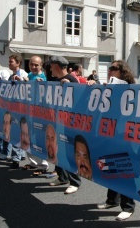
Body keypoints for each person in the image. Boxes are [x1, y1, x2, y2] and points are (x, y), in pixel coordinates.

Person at [89, 60, 136, 221]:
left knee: (124, 170)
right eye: (109, 68)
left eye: (114, 68)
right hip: (110, 132)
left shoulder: (130, 88)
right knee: (110, 167)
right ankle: (112, 200)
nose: (110, 71)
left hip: (124, 135)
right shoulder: (108, 87)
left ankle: (128, 206)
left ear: (123, 72)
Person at [47, 55, 81, 194]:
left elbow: (78, 100)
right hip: (57, 121)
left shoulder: (71, 80)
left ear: (56, 66)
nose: (49, 69)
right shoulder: (57, 80)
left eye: (51, 66)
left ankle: (75, 182)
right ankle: (62, 177)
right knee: (58, 150)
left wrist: (70, 86)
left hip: (68, 124)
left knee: (68, 152)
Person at [21, 56, 49, 174]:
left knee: (38, 140)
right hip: (29, 112)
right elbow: (26, 80)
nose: (33, 67)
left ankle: (43, 165)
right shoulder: (30, 75)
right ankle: (33, 162)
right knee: (26, 138)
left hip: (40, 113)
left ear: (41, 65)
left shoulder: (44, 77)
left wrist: (44, 84)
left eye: (36, 65)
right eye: (31, 64)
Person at [7, 54, 28, 169]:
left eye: (11, 62)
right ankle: (18, 157)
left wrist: (22, 81)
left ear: (18, 63)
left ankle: (17, 157)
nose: (9, 63)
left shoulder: (23, 74)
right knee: (15, 133)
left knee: (20, 134)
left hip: (23, 109)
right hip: (14, 108)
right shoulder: (11, 76)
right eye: (9, 61)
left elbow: (28, 87)